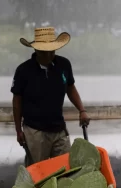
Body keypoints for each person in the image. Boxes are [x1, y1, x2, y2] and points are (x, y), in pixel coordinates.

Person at [10, 27, 90, 166]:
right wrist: (18, 130)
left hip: (59, 128)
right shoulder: (24, 70)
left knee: (64, 168)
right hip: (35, 130)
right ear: (36, 50)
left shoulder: (64, 65)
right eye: (44, 52)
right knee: (37, 171)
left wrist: (82, 110)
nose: (48, 55)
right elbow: (17, 101)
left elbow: (70, 88)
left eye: (51, 51)